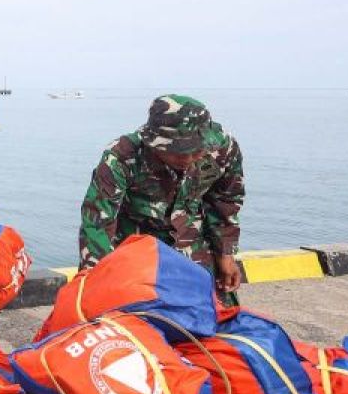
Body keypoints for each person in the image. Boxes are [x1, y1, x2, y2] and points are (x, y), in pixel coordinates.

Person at [78, 94, 244, 305]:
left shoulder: (224, 149)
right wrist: (96, 280)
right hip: (134, 245)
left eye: (196, 151)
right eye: (176, 152)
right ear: (152, 142)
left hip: (190, 239)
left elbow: (226, 200)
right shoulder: (122, 156)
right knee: (118, 313)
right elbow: (98, 221)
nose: (187, 159)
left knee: (219, 312)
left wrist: (225, 253)